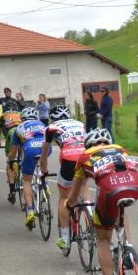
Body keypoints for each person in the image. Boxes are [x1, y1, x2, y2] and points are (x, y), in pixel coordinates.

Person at [66, 129, 138, 275]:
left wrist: (69, 206)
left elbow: (74, 195)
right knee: (121, 207)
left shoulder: (84, 156)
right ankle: (128, 250)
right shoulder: (120, 148)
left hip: (109, 191)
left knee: (103, 240)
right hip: (134, 186)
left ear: (89, 145)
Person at [39, 105, 88, 250]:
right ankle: (89, 213)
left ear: (53, 118)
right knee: (83, 185)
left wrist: (44, 171)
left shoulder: (51, 128)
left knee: (63, 197)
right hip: (86, 156)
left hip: (68, 158)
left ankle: (65, 238)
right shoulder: (80, 124)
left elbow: (44, 155)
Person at [8, 107, 47, 229]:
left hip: (30, 149)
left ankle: (30, 211)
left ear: (22, 118)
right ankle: (45, 185)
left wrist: (10, 161)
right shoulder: (42, 124)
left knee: (26, 181)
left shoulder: (19, 128)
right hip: (45, 148)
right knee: (43, 163)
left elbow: (13, 152)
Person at [2, 105, 22, 204]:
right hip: (23, 132)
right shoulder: (20, 113)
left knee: (9, 163)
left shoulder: (5, 115)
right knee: (21, 156)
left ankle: (12, 191)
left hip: (13, 135)